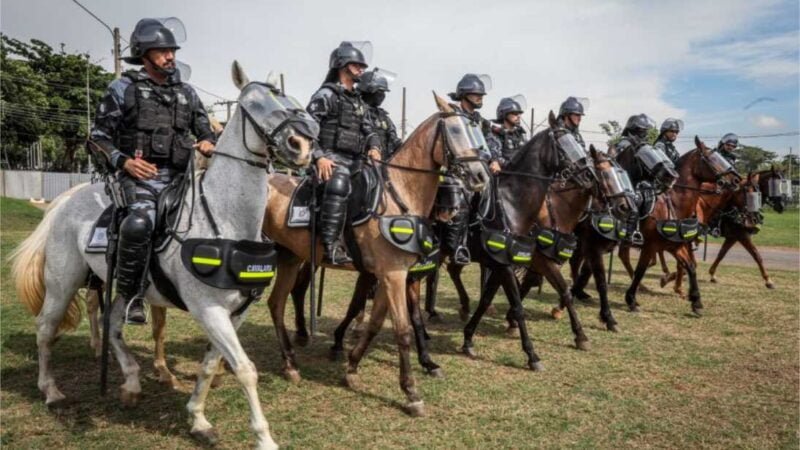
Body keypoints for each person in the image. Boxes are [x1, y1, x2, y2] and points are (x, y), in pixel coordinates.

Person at [88, 18, 216, 324]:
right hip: (140, 178)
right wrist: (124, 162)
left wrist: (209, 141)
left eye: (172, 50)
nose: (171, 56)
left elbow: (204, 129)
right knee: (140, 223)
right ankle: (132, 295)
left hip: (182, 179)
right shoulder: (122, 89)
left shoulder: (186, 92)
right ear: (144, 54)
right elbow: (97, 137)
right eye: (162, 51)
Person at [307, 42, 381, 265]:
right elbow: (307, 129)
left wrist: (375, 147)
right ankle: (330, 245)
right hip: (329, 158)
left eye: (362, 65)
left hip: (356, 160)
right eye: (357, 65)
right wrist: (319, 156)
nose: (362, 69)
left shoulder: (358, 100)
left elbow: (370, 130)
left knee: (380, 182)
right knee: (339, 182)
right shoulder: (326, 94)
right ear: (342, 65)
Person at [357, 69, 402, 159]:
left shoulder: (383, 117)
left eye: (384, 93)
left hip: (382, 163)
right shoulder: (357, 111)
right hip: (361, 161)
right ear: (370, 91)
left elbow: (393, 138)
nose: (383, 96)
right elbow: (366, 130)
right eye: (380, 92)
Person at [487, 96, 527, 168]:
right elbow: (496, 157)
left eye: (519, 114)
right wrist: (516, 166)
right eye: (514, 113)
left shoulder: (520, 134)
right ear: (504, 114)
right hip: (505, 174)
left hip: (522, 173)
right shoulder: (496, 134)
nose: (518, 116)